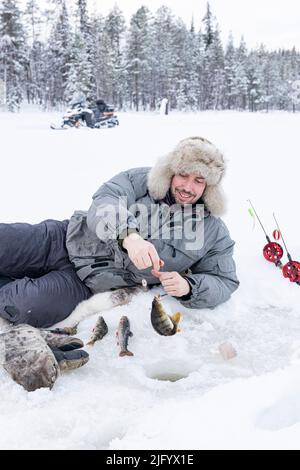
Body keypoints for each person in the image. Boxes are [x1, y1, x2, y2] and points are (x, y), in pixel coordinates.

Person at [0, 136, 239, 331]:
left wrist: (189, 286)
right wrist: (130, 236)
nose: (188, 187)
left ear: (209, 187)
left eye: (199, 180)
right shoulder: (140, 179)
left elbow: (224, 281)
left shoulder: (214, 232)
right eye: (183, 175)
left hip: (85, 282)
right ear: (171, 172)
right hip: (62, 239)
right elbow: (106, 199)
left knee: (19, 306)